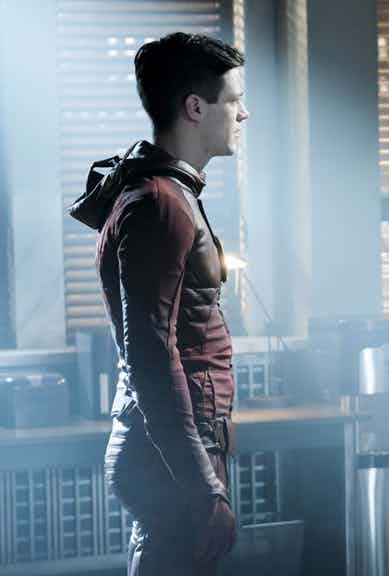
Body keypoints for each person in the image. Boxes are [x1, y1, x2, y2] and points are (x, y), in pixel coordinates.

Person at [68, 32, 249, 574]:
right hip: (170, 457)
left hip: (172, 451)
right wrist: (203, 486)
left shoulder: (171, 194)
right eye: (234, 101)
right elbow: (151, 356)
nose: (243, 114)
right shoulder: (160, 205)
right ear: (195, 107)